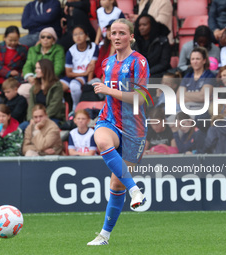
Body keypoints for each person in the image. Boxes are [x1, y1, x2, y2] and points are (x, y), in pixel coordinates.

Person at [87, 19, 149, 246]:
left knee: (115, 185)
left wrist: (108, 90)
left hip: (134, 129)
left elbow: (140, 99)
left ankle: (105, 235)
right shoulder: (107, 62)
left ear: (131, 37)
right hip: (109, 120)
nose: (116, 36)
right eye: (113, 33)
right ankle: (135, 190)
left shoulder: (139, 62)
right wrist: (108, 93)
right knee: (101, 141)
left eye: (122, 33)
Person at [19, 27, 65, 100]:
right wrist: (29, 76)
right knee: (22, 91)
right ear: (40, 39)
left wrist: (44, 78)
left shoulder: (58, 49)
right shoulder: (33, 50)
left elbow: (59, 67)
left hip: (51, 80)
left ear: (53, 40)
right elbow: (27, 65)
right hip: (35, 79)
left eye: (48, 37)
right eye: (43, 37)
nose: (45, 39)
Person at [60, 25, 99, 111]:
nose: (78, 36)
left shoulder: (93, 47)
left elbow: (91, 68)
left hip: (85, 77)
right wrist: (83, 73)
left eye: (81, 33)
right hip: (75, 75)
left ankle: (76, 108)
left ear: (86, 35)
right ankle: (62, 110)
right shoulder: (71, 51)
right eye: (75, 34)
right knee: (56, 87)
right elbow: (68, 73)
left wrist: (87, 79)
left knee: (74, 85)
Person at [0, 26, 28, 93]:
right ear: (5, 38)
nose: (13, 43)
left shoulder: (23, 49)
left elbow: (26, 63)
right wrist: (8, 72)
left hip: (14, 80)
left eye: (15, 40)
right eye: (10, 40)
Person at [27, 59, 65, 125]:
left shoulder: (56, 86)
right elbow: (31, 105)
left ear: (46, 69)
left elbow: (54, 106)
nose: (36, 70)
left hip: (52, 118)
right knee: (21, 129)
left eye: (39, 68)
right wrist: (32, 118)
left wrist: (42, 118)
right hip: (36, 118)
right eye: (36, 68)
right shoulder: (34, 86)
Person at [177, 47, 216, 111]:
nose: (195, 62)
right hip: (184, 110)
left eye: (198, 59)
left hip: (201, 111)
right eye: (192, 59)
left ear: (204, 61)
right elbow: (178, 98)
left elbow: (203, 97)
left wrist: (184, 94)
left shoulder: (209, 76)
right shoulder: (188, 76)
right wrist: (197, 96)